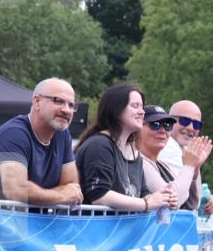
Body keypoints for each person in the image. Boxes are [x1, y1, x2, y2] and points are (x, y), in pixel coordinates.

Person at [0, 78, 83, 205]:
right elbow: (16, 190)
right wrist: (61, 196)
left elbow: (71, 187)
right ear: (37, 101)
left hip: (28, 221)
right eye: (58, 101)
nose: (67, 110)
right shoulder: (14, 133)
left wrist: (45, 195)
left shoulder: (62, 135)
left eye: (71, 105)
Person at [74, 84, 176, 212]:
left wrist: (161, 198)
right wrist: (146, 203)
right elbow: (99, 195)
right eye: (135, 106)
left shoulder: (134, 152)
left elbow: (142, 193)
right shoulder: (99, 145)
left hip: (118, 231)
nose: (142, 112)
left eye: (142, 106)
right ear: (116, 110)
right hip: (91, 229)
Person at [137, 104, 212, 210]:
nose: (162, 130)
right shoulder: (138, 161)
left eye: (167, 125)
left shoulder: (161, 165)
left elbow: (191, 205)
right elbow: (171, 202)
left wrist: (195, 168)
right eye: (155, 124)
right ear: (137, 128)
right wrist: (189, 166)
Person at [159, 100, 213, 211]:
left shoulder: (183, 149)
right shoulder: (169, 146)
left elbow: (191, 196)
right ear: (169, 121)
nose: (191, 127)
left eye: (196, 124)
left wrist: (196, 168)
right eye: (184, 121)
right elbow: (187, 202)